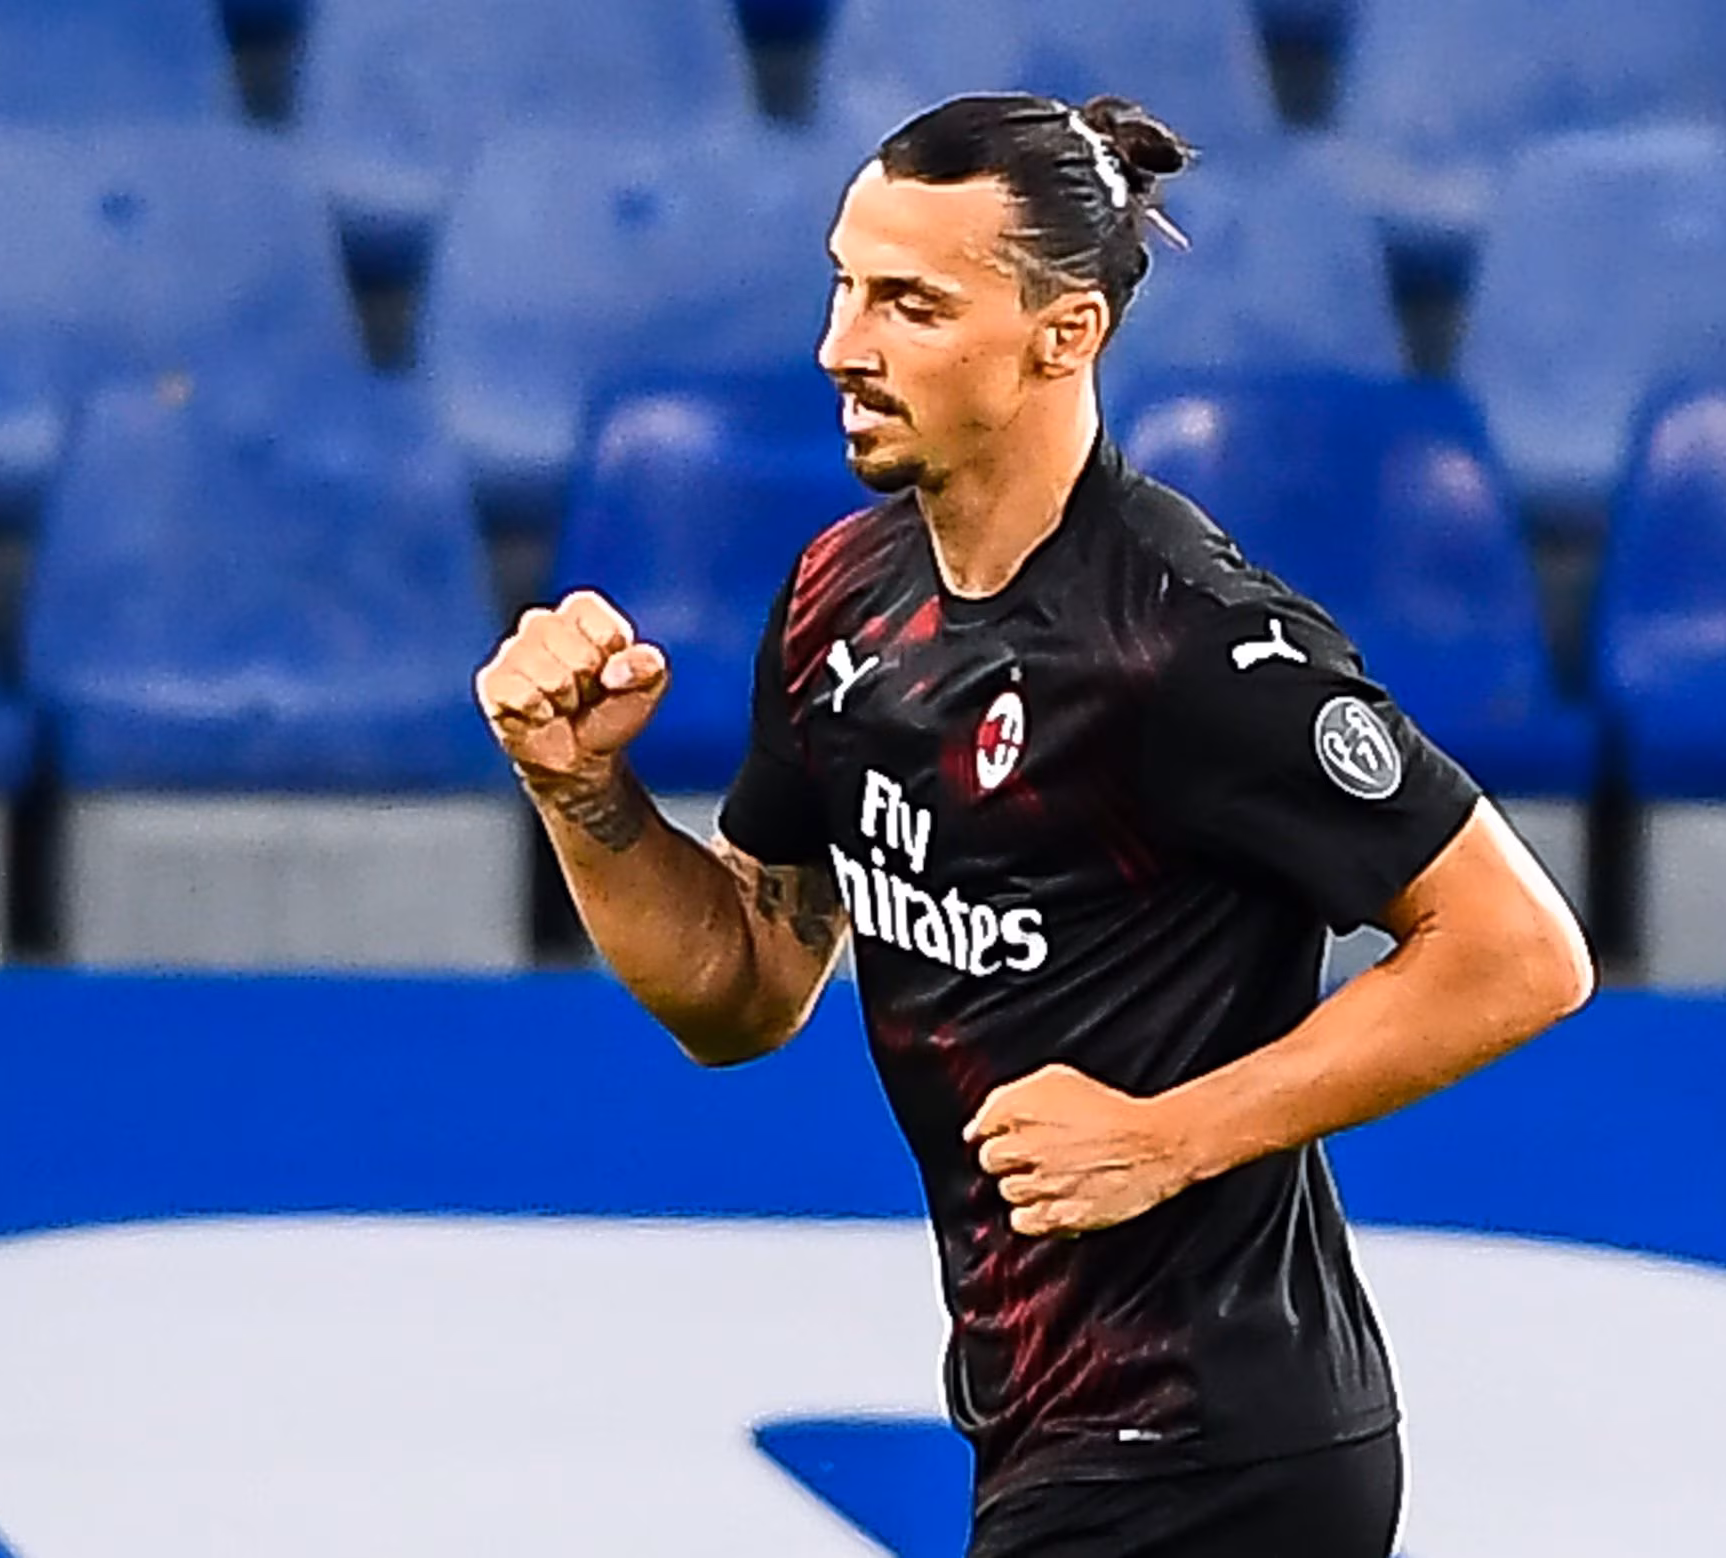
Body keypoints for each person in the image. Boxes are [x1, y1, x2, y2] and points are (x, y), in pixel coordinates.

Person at [475, 92, 1595, 1558]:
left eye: (911, 304)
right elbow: (742, 990)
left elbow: (1519, 950)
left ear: (1064, 334)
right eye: (844, 285)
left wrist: (1167, 1138)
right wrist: (583, 796)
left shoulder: (1184, 638)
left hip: (1212, 1439)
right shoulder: (840, 603)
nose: (841, 346)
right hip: (1048, 1423)